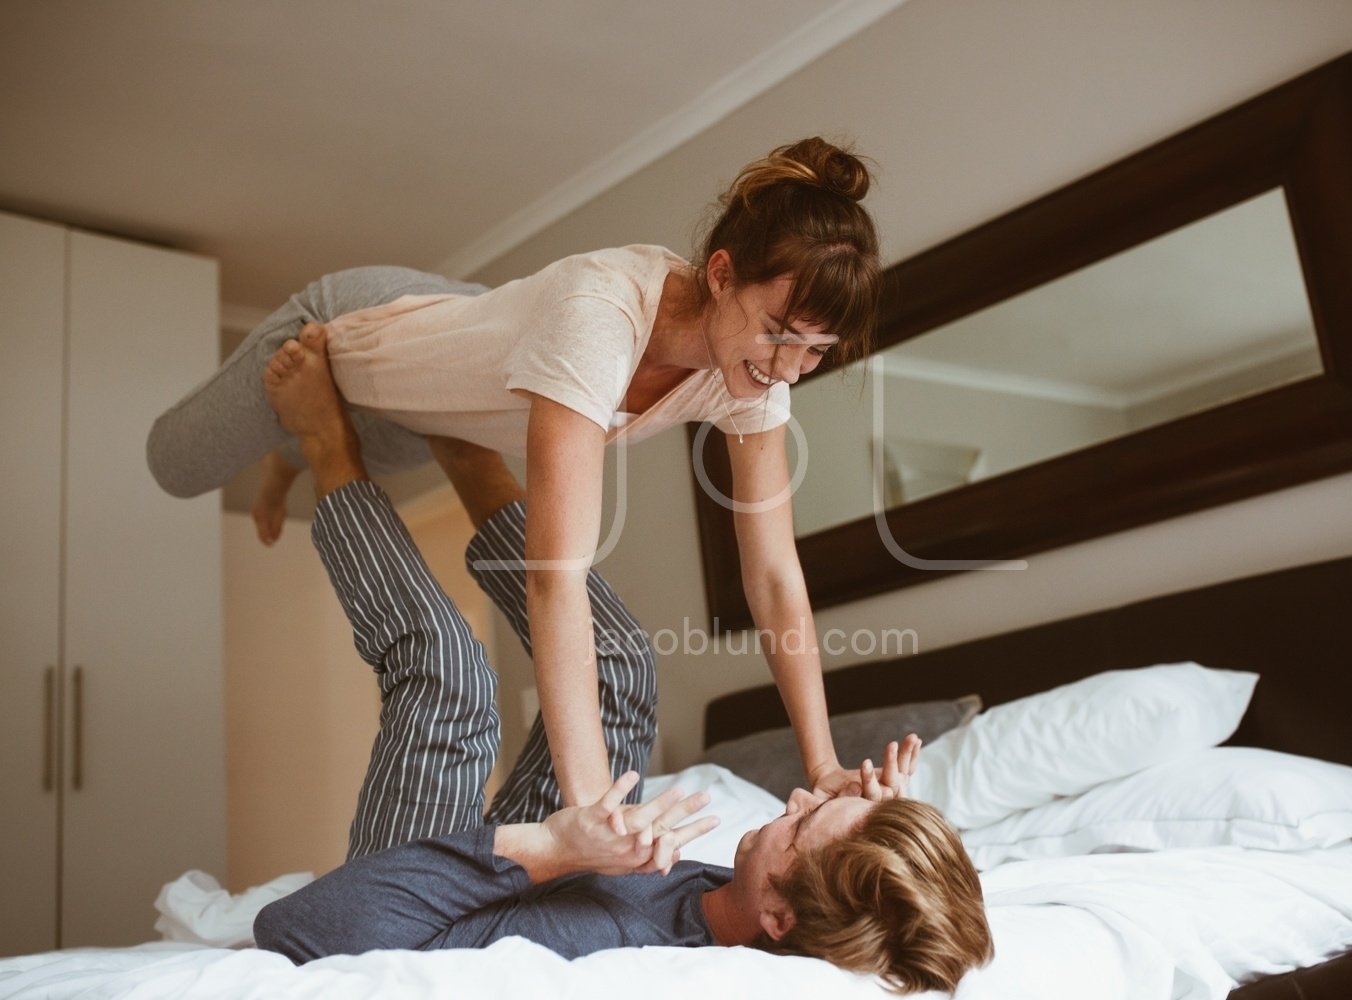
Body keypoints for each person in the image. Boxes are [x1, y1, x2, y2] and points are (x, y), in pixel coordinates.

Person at [147, 137, 889, 815]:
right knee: (175, 466)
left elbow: (774, 579)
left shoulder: (753, 378)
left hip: (457, 399)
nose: (787, 369)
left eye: (816, 352)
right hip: (360, 339)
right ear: (722, 275)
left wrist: (821, 765)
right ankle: (295, 440)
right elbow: (553, 576)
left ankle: (296, 452)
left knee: (426, 433)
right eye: (778, 333)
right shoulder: (600, 319)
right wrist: (590, 800)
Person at [250, 331, 993, 994]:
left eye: (800, 830)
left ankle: (326, 444)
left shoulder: (610, 945)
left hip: (412, 895)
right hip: (547, 878)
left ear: (777, 915)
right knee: (621, 664)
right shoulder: (780, 908)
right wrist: (885, 827)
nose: (795, 801)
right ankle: (464, 447)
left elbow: (298, 930)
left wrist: (548, 846)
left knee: (449, 674)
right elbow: (926, 928)